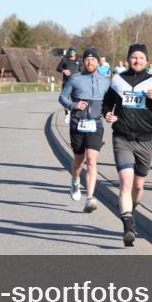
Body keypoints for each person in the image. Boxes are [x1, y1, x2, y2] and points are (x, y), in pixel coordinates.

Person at [102, 44, 152, 247]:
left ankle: (129, 210)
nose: (137, 61)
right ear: (128, 59)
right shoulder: (117, 80)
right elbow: (107, 104)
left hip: (146, 139)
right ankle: (128, 225)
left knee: (138, 185)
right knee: (125, 182)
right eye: (134, 57)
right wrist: (107, 113)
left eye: (141, 57)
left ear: (147, 61)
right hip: (122, 137)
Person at [58, 47, 110, 214]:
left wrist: (109, 113)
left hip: (96, 125)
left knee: (92, 161)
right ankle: (74, 180)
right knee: (79, 161)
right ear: (83, 62)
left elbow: (110, 101)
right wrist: (73, 105)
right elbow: (62, 97)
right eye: (87, 59)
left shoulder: (105, 80)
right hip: (77, 124)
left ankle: (90, 197)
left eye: (93, 59)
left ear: (98, 62)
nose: (90, 62)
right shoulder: (75, 79)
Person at [56, 47, 81, 124]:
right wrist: (64, 70)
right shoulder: (65, 60)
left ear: (75, 52)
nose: (72, 52)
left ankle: (75, 115)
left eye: (73, 51)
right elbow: (58, 68)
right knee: (65, 99)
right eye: (70, 51)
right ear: (69, 52)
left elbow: (82, 70)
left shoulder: (78, 60)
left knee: (76, 99)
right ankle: (67, 114)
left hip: (76, 83)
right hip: (67, 82)